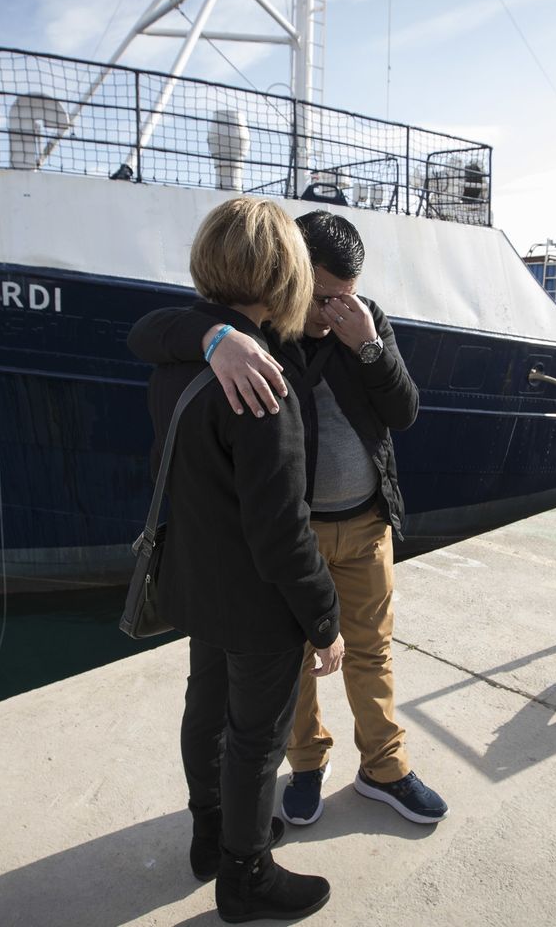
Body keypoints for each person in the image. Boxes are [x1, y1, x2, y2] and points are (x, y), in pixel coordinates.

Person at [129, 209, 449, 830]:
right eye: (323, 296)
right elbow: (147, 331)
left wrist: (369, 346)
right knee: (296, 660)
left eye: (346, 298)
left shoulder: (363, 323)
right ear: (292, 276)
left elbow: (404, 411)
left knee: (371, 652)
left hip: (365, 525)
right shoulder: (264, 334)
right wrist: (214, 338)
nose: (333, 311)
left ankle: (385, 768)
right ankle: (306, 765)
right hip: (294, 536)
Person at [140, 197, 345, 923]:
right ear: (285, 273)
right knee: (255, 740)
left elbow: (148, 330)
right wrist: (325, 620)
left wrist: (211, 332)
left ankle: (212, 838)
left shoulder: (184, 361)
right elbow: (281, 532)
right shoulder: (260, 383)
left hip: (197, 585)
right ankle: (246, 876)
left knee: (205, 713)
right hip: (257, 604)